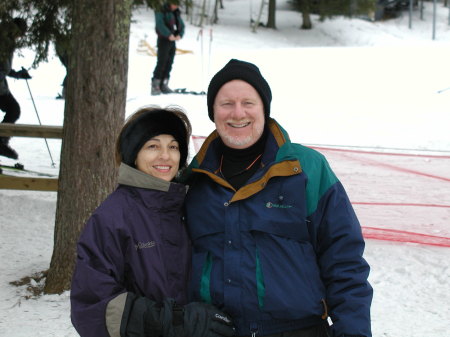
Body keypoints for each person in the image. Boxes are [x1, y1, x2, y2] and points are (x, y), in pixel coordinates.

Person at [182, 59, 373, 337]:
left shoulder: (307, 168)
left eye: (248, 102)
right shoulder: (193, 180)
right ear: (213, 111)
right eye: (226, 104)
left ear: (264, 109)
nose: (237, 113)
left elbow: (344, 260)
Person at [70, 106, 235, 337]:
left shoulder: (190, 208)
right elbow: (91, 304)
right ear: (134, 154)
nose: (165, 156)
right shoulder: (113, 216)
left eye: (173, 147)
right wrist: (171, 321)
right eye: (153, 146)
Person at [0, 17, 31, 160]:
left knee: (13, 109)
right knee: (13, 109)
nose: (21, 37)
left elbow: (4, 68)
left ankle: (1, 142)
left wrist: (17, 74)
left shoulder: (8, 40)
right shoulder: (4, 39)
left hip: (1, 86)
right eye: (22, 33)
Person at [151, 1, 185, 95]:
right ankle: (155, 85)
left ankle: (164, 84)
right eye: (175, 4)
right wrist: (168, 34)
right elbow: (159, 24)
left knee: (169, 62)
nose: (176, 6)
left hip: (172, 41)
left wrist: (180, 35)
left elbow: (181, 25)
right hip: (163, 40)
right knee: (162, 61)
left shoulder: (176, 12)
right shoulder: (161, 10)